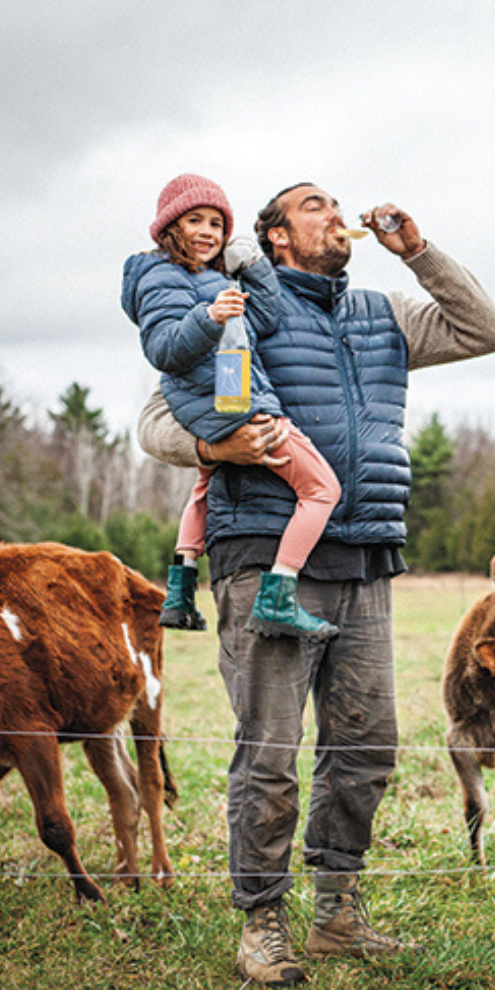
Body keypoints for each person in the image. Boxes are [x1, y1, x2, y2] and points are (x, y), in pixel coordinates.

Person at [137, 182, 495, 986]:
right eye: (312, 204)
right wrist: (216, 451)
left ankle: (339, 910)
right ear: (274, 237)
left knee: (367, 748)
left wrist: (418, 251)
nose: (333, 212)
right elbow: (156, 419)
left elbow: (486, 329)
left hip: (367, 554)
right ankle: (263, 922)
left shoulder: (384, 314)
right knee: (269, 752)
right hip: (267, 555)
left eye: (333, 201)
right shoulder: (239, 306)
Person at [122, 173, 341, 641]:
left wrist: (255, 268)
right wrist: (208, 316)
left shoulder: (209, 277)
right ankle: (279, 594)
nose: (208, 232)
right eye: (195, 220)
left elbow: (262, 319)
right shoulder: (161, 275)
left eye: (217, 224)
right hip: (232, 399)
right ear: (168, 227)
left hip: (217, 398)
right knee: (322, 490)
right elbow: (163, 349)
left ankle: (179, 592)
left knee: (205, 485)